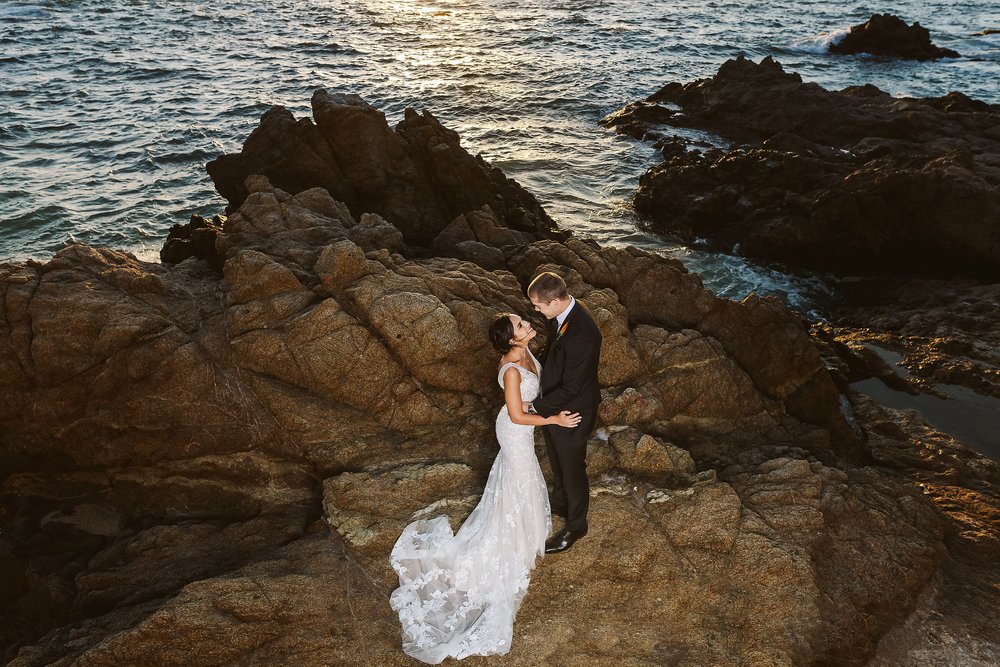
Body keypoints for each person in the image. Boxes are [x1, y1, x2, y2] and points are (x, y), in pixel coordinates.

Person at [389, 313, 581, 663]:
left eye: (523, 321)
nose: (526, 324)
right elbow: (517, 415)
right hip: (513, 430)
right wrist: (553, 419)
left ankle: (520, 531)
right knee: (521, 478)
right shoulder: (510, 369)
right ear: (512, 340)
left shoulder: (526, 352)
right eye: (521, 325)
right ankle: (508, 542)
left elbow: (527, 400)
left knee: (518, 480)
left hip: (521, 425)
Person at [526, 271, 602, 554]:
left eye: (538, 306)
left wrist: (534, 407)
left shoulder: (582, 336)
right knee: (557, 461)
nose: (535, 310)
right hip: (556, 406)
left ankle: (576, 525)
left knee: (572, 470)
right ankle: (560, 503)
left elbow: (571, 389)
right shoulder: (564, 313)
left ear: (556, 302)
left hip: (572, 411)